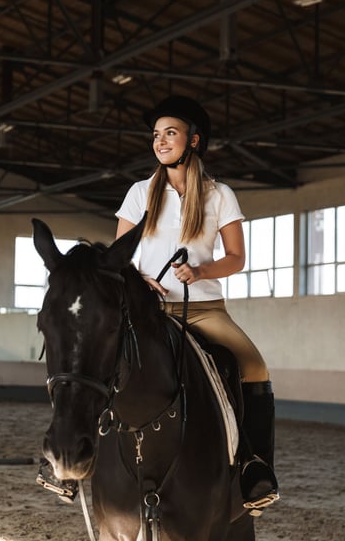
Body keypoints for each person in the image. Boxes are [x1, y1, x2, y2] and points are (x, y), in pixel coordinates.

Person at [115, 94, 279, 513]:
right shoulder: (139, 192)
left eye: (170, 133)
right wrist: (140, 278)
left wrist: (201, 273)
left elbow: (236, 258)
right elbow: (118, 252)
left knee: (254, 365)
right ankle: (69, 461)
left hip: (204, 310)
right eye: (156, 135)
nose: (160, 141)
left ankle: (255, 469)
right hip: (148, 310)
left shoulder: (219, 194)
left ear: (194, 140)